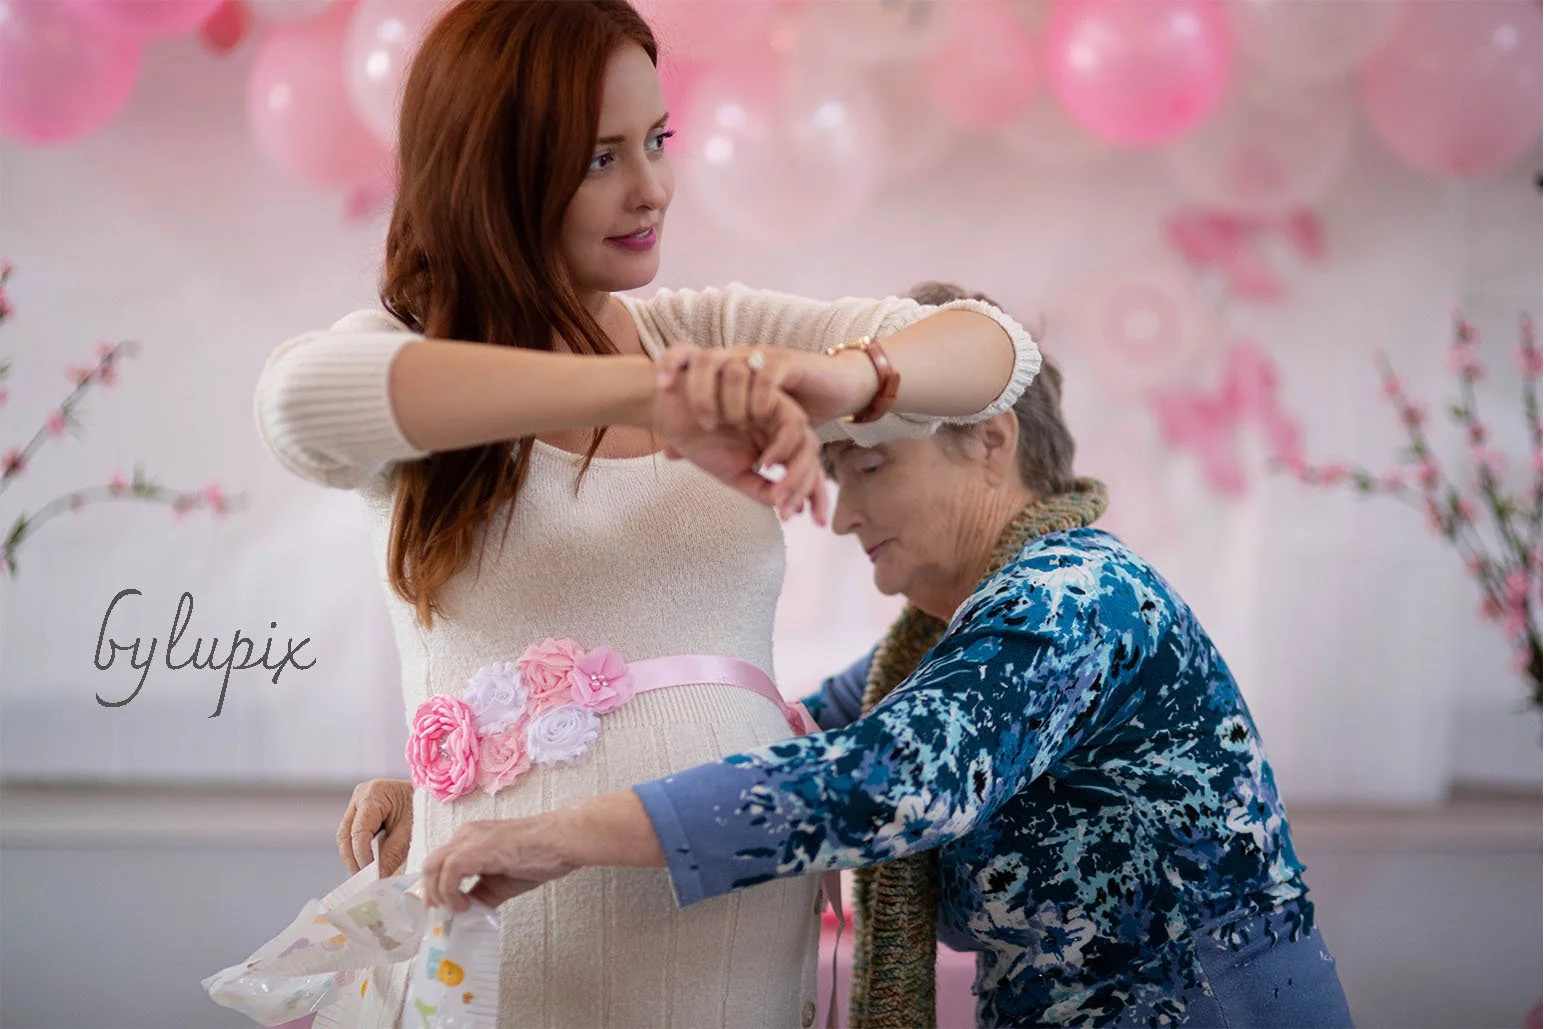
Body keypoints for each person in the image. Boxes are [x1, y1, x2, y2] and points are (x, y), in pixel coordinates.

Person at [253, 0, 1041, 1024]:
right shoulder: (410, 362)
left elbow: (994, 351)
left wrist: (840, 378)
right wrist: (651, 396)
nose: (652, 187)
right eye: (600, 158)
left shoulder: (707, 332)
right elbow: (297, 405)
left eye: (657, 140)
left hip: (739, 961)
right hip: (514, 960)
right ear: (496, 171)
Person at [416, 284, 1356, 1028]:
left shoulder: (1078, 596)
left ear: (992, 440)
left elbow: (889, 778)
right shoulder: (940, 647)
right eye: (835, 476)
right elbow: (766, 733)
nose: (844, 515)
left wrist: (558, 838)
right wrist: (457, 789)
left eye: (871, 467)